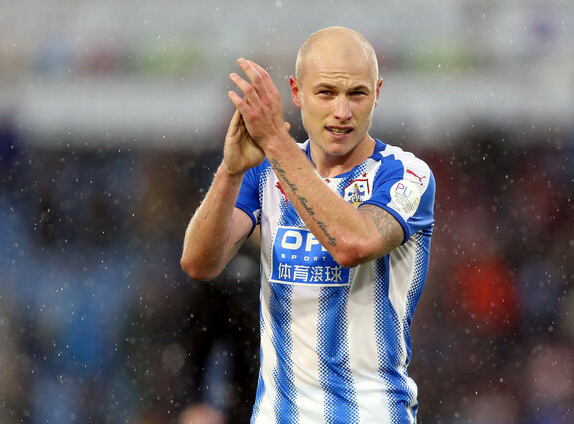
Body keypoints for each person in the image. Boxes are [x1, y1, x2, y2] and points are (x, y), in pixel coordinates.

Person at [181, 26, 436, 423]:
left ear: (377, 94)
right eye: (326, 93)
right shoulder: (263, 172)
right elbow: (199, 263)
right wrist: (230, 172)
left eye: (357, 94)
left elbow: (352, 244)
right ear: (297, 92)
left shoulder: (406, 174)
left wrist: (275, 142)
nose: (342, 111)